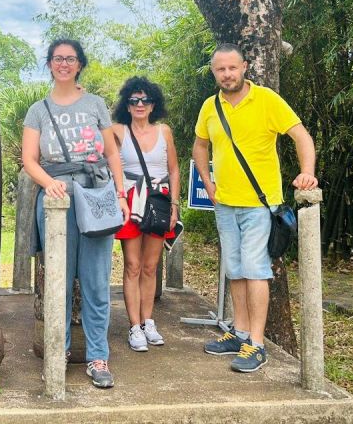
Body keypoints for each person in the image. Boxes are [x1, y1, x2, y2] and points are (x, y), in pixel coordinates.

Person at [193, 43, 317, 372]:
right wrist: (207, 182)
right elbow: (200, 145)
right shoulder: (210, 106)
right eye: (221, 69)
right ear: (214, 71)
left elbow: (301, 135)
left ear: (245, 66)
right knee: (234, 269)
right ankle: (240, 332)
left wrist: (307, 172)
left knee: (255, 269)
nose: (227, 74)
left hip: (260, 205)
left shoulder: (266, 100)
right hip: (226, 203)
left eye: (232, 68)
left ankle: (257, 345)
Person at [22, 39, 130, 389]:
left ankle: (98, 356)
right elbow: (29, 159)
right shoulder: (39, 109)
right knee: (59, 281)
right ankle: (59, 351)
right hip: (56, 197)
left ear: (80, 64)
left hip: (96, 193)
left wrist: (121, 193)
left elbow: (112, 153)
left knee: (97, 281)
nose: (64, 64)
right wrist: (46, 184)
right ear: (50, 64)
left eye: (70, 59)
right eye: (57, 58)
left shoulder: (95, 103)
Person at [111, 77, 181, 352]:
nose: (140, 105)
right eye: (134, 100)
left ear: (153, 105)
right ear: (127, 105)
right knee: (132, 265)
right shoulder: (118, 131)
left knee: (151, 266)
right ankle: (134, 326)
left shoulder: (164, 132)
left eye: (145, 100)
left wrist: (174, 204)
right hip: (130, 201)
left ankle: (148, 320)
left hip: (158, 201)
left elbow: (173, 169)